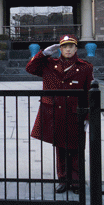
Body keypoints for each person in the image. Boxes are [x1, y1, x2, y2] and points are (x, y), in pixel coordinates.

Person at [26, 35, 94, 193]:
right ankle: (63, 179)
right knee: (61, 149)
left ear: (76, 49)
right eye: (64, 47)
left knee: (76, 149)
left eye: (71, 46)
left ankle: (76, 182)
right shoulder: (49, 64)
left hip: (75, 113)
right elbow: (30, 68)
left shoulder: (85, 67)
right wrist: (44, 54)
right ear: (60, 49)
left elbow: (88, 93)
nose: (68, 50)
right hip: (56, 113)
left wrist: (87, 116)